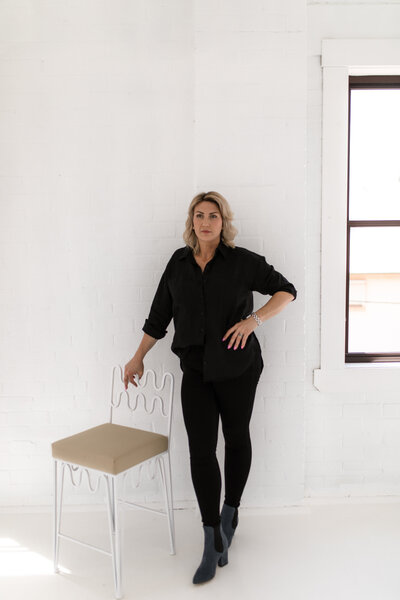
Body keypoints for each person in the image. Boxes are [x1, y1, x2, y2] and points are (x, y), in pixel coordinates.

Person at [124, 191, 297, 584]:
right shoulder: (178, 263)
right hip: (196, 372)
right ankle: (210, 538)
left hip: (238, 368)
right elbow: (158, 317)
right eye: (199, 215)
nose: (206, 222)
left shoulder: (241, 262)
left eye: (213, 216)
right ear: (192, 221)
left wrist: (254, 320)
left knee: (236, 439)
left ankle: (230, 511)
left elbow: (286, 290)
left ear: (224, 222)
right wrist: (138, 357)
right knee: (201, 452)